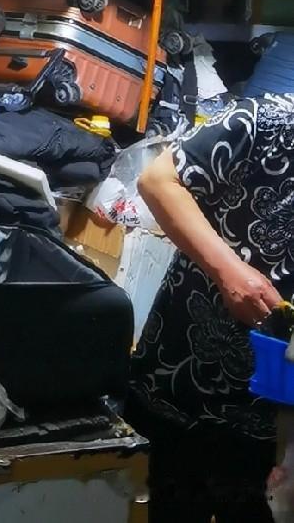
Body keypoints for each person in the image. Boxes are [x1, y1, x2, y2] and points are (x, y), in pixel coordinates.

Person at [129, 94, 294, 523]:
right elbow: (158, 181)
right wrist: (228, 271)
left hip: (274, 433)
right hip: (178, 390)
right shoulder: (265, 120)